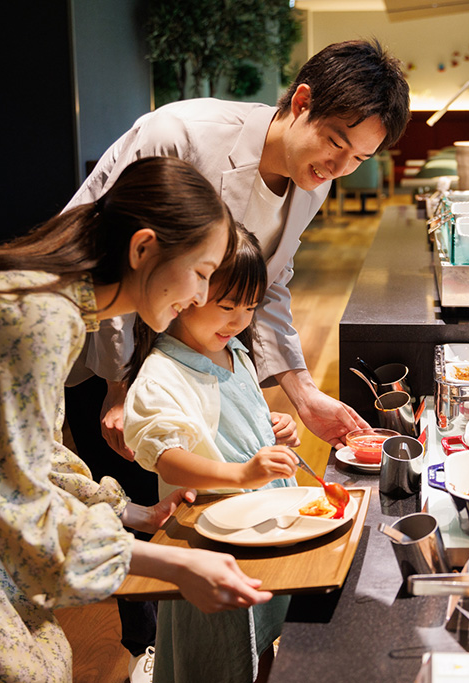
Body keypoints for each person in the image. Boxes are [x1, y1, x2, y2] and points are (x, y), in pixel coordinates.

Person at [0, 156, 272, 682]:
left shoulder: (55, 300)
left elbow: (27, 453)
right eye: (200, 274)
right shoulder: (41, 319)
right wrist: (175, 565)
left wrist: (136, 516)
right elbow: (23, 514)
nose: (200, 295)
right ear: (143, 248)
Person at [64, 39, 411, 674]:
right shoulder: (180, 134)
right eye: (336, 142)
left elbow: (270, 285)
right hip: (104, 342)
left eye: (358, 157)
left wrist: (304, 396)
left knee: (187, 508)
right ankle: (146, 655)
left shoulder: (311, 185)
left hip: (199, 346)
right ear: (301, 101)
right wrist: (117, 386)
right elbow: (107, 258)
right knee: (144, 502)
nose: (340, 166)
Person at [124, 224, 300, 682]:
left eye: (250, 307)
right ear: (188, 293)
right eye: (226, 306)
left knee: (264, 638)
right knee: (216, 655)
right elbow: (166, 457)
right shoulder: (161, 373)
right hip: (209, 539)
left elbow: (245, 418)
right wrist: (241, 474)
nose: (239, 320)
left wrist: (274, 429)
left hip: (261, 526)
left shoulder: (235, 350)